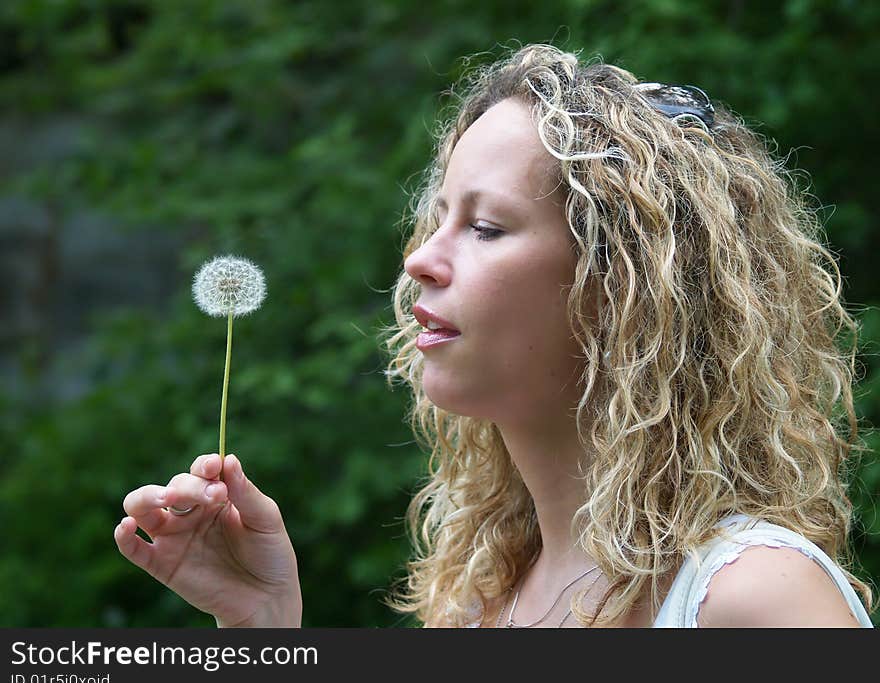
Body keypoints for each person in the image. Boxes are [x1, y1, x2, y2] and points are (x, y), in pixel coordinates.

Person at [114, 43, 875, 628]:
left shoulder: (751, 598)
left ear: (626, 289)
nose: (420, 258)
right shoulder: (483, 603)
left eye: (484, 226)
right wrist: (266, 627)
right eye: (437, 215)